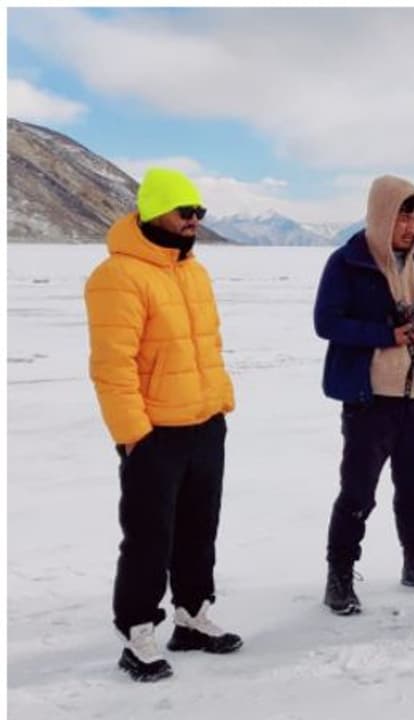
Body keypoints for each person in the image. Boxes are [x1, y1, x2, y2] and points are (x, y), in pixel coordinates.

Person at [84, 168, 242, 682]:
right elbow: (113, 365)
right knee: (149, 536)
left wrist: (219, 405)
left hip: (204, 423)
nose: (195, 220)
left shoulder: (193, 271)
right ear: (154, 213)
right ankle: (137, 630)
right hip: (154, 434)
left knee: (200, 528)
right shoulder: (118, 276)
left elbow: (208, 348)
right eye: (185, 211)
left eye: (200, 212)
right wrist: (134, 435)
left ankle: (192, 616)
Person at [314, 175, 414, 615]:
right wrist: (384, 334)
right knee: (358, 492)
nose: (411, 226)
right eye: (403, 216)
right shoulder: (348, 262)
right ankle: (339, 576)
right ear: (382, 214)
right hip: (370, 399)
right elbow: (326, 322)